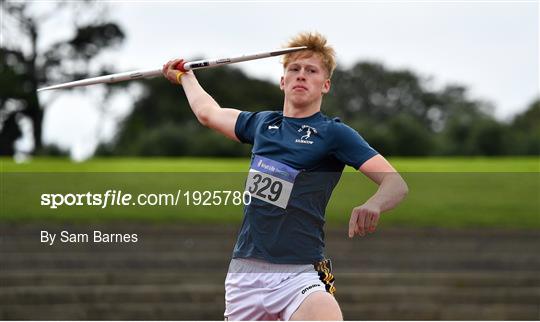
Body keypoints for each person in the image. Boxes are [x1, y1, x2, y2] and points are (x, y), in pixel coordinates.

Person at [163, 32, 408, 321]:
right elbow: (208, 113)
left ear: (325, 84)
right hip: (245, 274)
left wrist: (374, 204)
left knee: (325, 314)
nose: (301, 75)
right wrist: (185, 77)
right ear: (283, 81)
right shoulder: (262, 124)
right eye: (294, 69)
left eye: (311, 70)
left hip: (298, 274)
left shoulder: (334, 134)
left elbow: (395, 183)